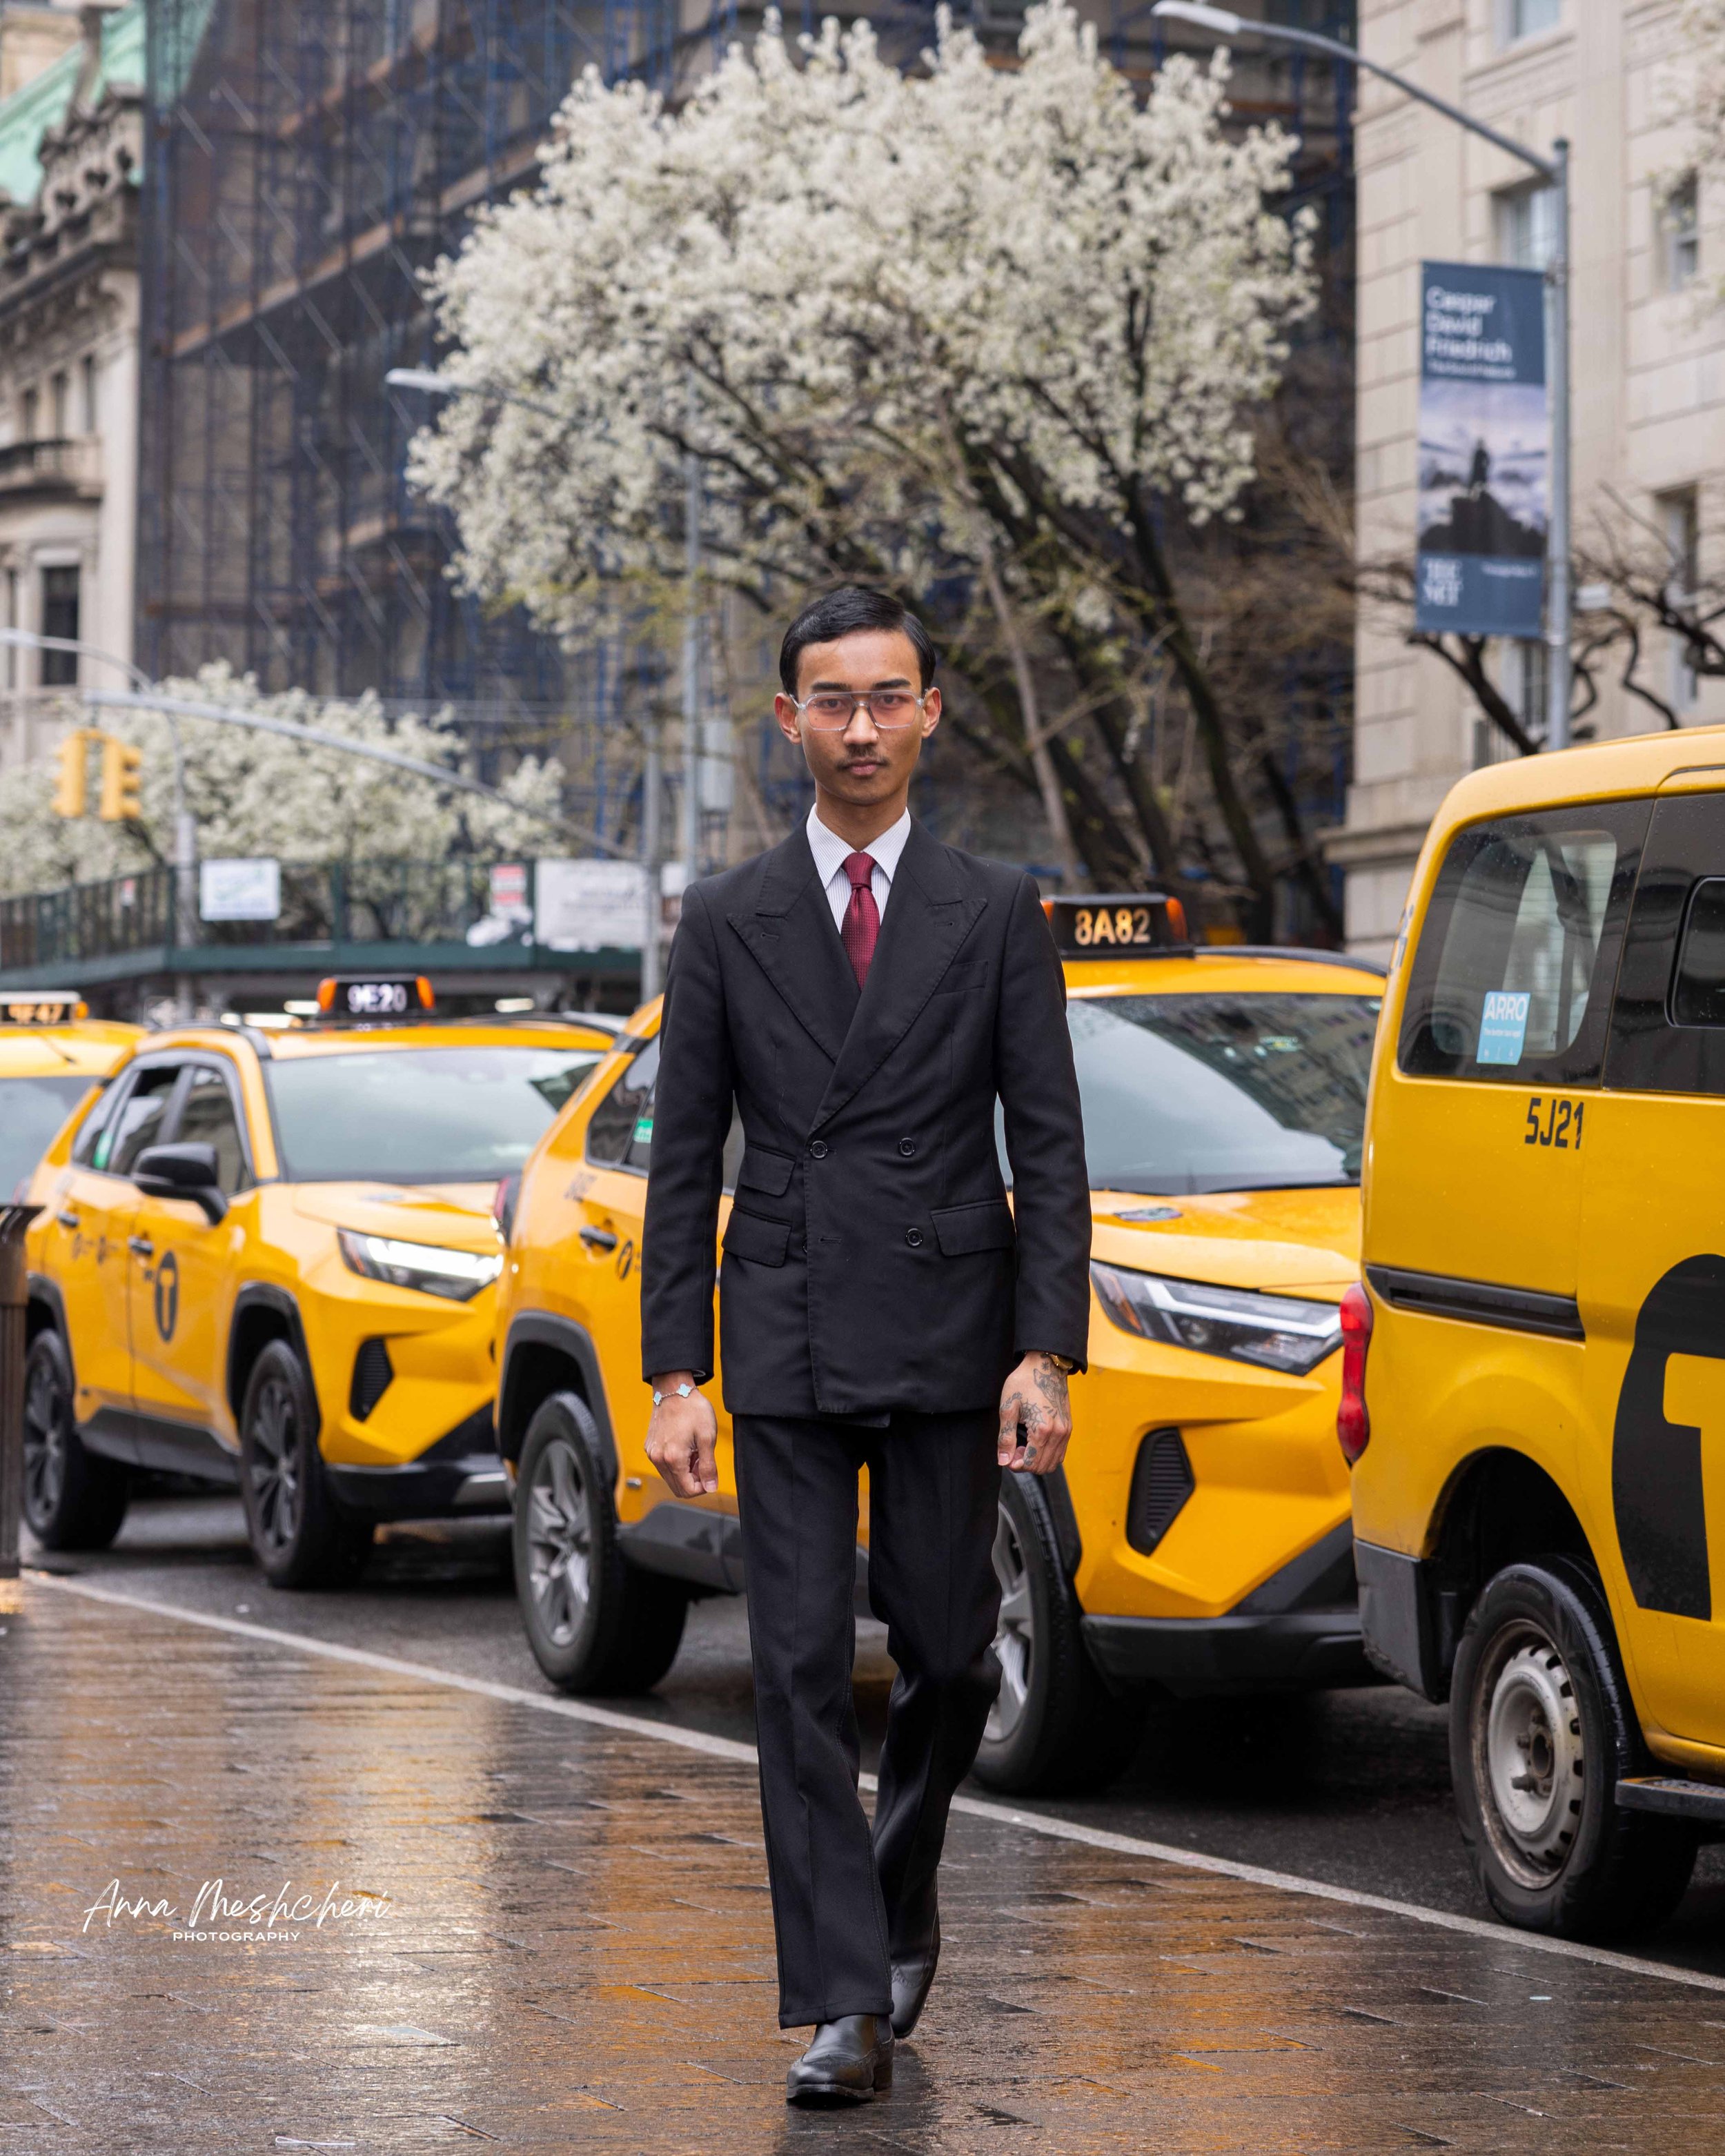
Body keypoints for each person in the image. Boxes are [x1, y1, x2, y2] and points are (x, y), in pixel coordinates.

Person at [640, 584, 1091, 2108]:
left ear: (928, 713)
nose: (859, 728)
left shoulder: (993, 911)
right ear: (788, 722)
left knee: (952, 1656)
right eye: (830, 702)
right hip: (779, 1321)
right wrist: (672, 1373)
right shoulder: (724, 920)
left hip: (950, 1320)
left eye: (886, 698)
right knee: (790, 1666)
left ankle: (897, 1892)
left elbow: (1050, 1138)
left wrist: (1046, 1351)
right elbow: (681, 1155)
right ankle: (841, 1998)